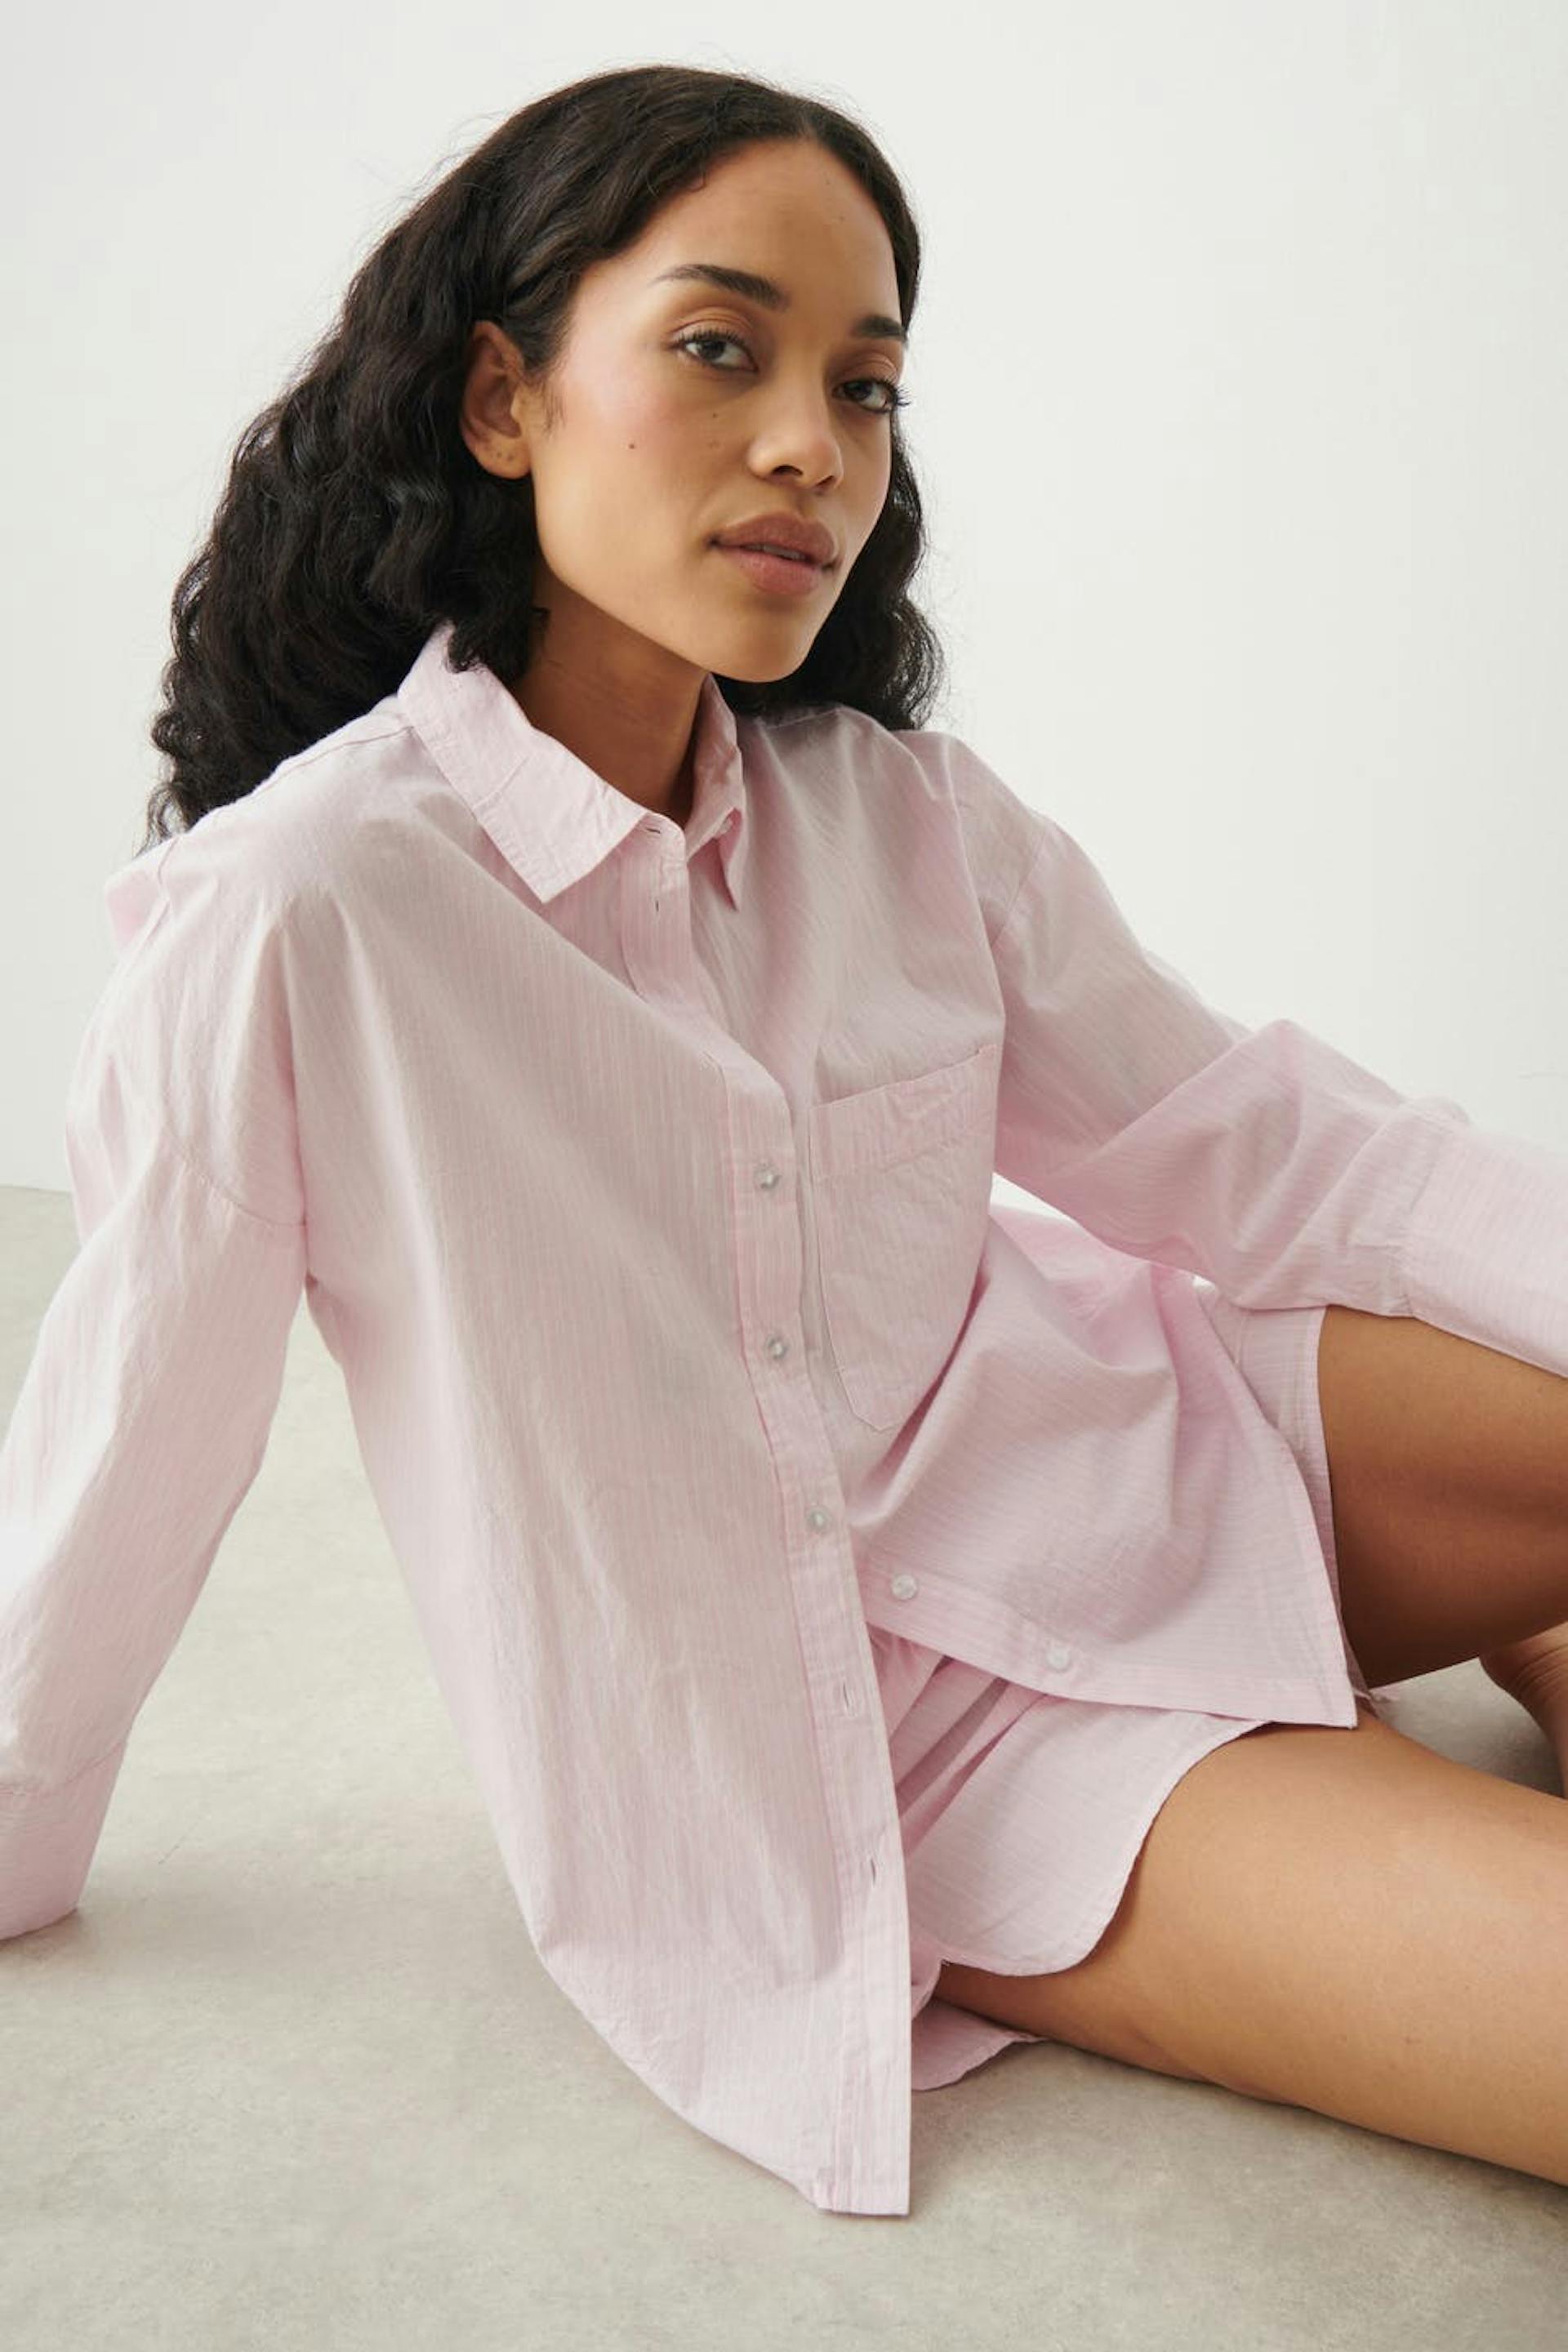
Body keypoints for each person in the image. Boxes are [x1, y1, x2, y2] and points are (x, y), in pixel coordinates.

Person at [4, 61, 1568, 2216]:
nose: (811, 447)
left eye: (866, 385)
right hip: (918, 1750)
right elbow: (134, 1440)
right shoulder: (304, 908)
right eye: (721, 349)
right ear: (503, 399)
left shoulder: (902, 817)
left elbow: (1279, 1151)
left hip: (1155, 1462)